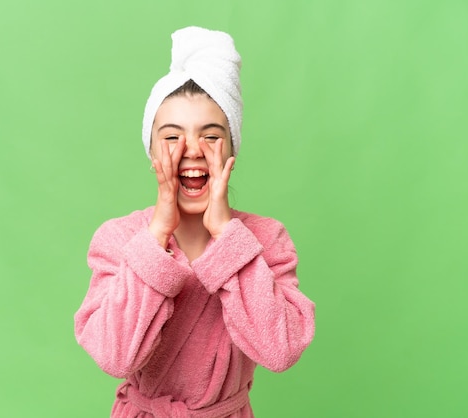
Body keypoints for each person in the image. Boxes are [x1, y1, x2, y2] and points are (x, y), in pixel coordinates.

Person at [74, 26, 315, 418]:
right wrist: (155, 238)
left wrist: (226, 237)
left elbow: (281, 350)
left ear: (232, 148)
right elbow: (114, 357)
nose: (191, 151)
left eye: (211, 136)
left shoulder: (265, 239)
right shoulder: (119, 240)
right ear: (150, 151)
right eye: (171, 137)